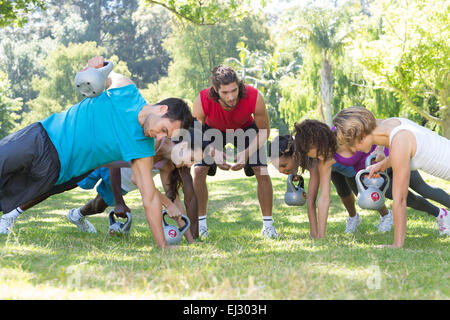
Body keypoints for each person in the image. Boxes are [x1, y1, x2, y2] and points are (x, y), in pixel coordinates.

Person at [0, 56, 193, 249]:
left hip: (58, 171)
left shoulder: (143, 150)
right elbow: (96, 77)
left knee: (4, 197)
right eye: (164, 130)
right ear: (161, 109)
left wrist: (163, 246)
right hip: (44, 136)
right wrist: (93, 67)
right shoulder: (126, 90)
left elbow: (149, 198)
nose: (159, 138)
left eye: (166, 137)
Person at [332, 107, 450, 247]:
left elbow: (400, 200)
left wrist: (396, 244)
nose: (352, 150)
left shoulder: (399, 140)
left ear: (361, 135)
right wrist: (381, 164)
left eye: (350, 144)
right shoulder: (391, 124)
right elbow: (399, 152)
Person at [69, 129, 204, 242]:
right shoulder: (155, 142)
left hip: (123, 183)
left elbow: (175, 201)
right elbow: (138, 179)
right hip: (108, 162)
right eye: (191, 159)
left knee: (98, 206)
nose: (189, 165)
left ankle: (76, 215)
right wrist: (168, 205)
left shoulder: (168, 166)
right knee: (72, 179)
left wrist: (189, 240)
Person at [192, 65, 277, 239]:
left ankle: (268, 226)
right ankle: (201, 226)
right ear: (216, 90)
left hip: (245, 128)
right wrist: (211, 151)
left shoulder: (254, 96)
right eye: (225, 92)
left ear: (239, 85)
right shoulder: (202, 100)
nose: (231, 97)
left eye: (234, 90)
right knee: (199, 170)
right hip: (212, 129)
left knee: (261, 170)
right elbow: (196, 132)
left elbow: (264, 132)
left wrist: (247, 153)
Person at [270, 135, 394, 235]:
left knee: (363, 195)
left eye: (283, 166)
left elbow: (311, 201)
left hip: (349, 166)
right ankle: (353, 218)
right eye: (278, 167)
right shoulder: (300, 154)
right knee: (343, 194)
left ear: (293, 155)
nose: (281, 170)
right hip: (334, 168)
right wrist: (294, 171)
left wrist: (314, 233)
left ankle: (386, 215)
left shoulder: (312, 159)